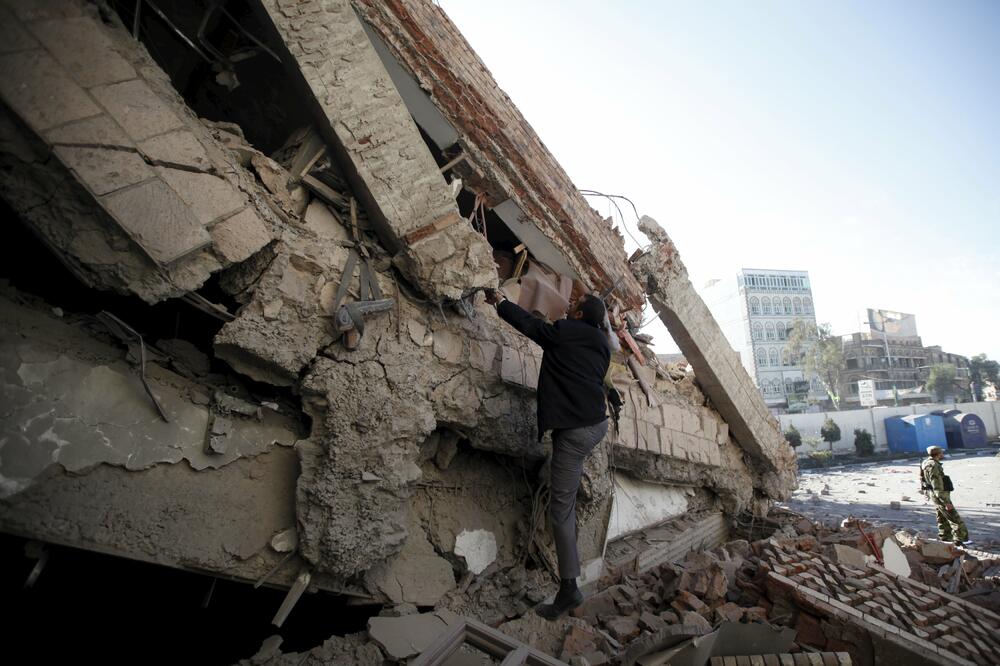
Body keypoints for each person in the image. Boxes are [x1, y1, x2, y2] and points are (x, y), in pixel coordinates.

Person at [485, 288, 611, 620]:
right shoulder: (602, 344)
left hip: (575, 432)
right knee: (564, 491)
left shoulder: (566, 332)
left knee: (561, 511)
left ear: (581, 315)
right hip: (596, 425)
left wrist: (500, 302)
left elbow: (533, 327)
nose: (569, 305)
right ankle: (570, 578)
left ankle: (569, 590)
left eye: (575, 304)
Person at [920, 446, 969, 546]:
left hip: (934, 495)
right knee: (955, 519)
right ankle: (959, 541)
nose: (942, 454)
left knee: (942, 517)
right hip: (940, 496)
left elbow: (922, 478)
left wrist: (927, 493)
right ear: (938, 454)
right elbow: (937, 484)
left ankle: (945, 538)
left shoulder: (925, 463)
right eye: (941, 453)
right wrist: (946, 502)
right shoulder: (934, 465)